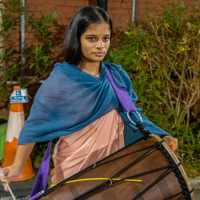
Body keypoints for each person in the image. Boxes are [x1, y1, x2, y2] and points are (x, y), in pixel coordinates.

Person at [0, 6, 178, 191]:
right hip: (74, 171)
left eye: (105, 38)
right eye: (91, 38)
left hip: (113, 166)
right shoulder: (60, 81)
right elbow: (34, 127)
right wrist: (16, 168)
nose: (100, 45)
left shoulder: (116, 77)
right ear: (77, 40)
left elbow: (133, 116)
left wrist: (162, 135)